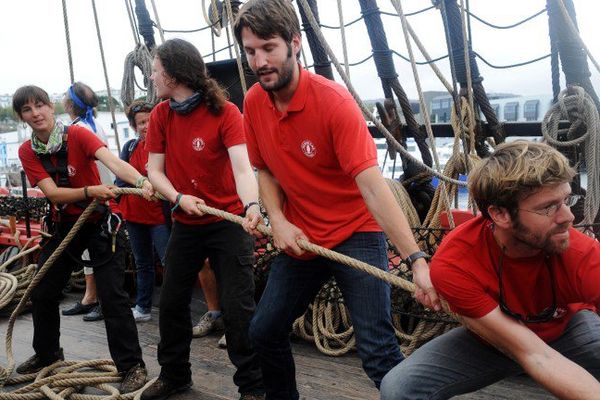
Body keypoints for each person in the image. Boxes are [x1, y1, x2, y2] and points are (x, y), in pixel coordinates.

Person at [234, 1, 439, 398]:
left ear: (295, 44)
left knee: (377, 351)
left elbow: (373, 187)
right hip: (302, 234)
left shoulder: (334, 103)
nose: (259, 61)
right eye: (250, 51)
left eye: (269, 48)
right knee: (264, 331)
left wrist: (416, 260)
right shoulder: (254, 102)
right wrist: (276, 217)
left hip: (355, 232)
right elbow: (266, 171)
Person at [380, 141, 600, 400]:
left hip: (567, 329)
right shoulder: (456, 264)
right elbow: (534, 354)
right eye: (548, 207)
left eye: (566, 199)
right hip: (493, 341)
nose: (568, 217)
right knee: (398, 389)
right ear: (500, 215)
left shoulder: (581, 254)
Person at [141, 38, 264, 400]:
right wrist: (177, 197)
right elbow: (154, 171)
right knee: (173, 302)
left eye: (155, 70)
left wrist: (252, 206)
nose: (151, 77)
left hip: (227, 222)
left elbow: (243, 170)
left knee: (239, 308)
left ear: (174, 74)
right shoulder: (161, 115)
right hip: (187, 223)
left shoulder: (226, 113)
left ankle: (253, 388)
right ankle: (174, 375)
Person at [13, 85, 152, 393]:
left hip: (100, 220)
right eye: (27, 109)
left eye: (40, 105)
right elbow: (52, 193)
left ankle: (132, 365)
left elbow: (112, 162)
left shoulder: (77, 135)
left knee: (113, 295)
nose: (35, 113)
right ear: (22, 117)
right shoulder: (27, 151)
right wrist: (89, 191)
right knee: (43, 290)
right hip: (65, 224)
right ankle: (47, 354)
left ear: (51, 107)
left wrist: (141, 181)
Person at [61, 81, 114, 322]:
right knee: (87, 253)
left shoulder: (78, 130)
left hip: (94, 199)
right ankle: (90, 297)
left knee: (98, 253)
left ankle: (102, 300)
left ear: (70, 104)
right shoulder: (94, 126)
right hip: (95, 197)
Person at [116, 100, 170, 322]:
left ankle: (174, 308)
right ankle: (143, 307)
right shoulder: (129, 148)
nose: (146, 126)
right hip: (134, 215)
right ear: (133, 126)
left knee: (170, 262)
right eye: (141, 123)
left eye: (149, 121)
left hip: (159, 216)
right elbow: (120, 180)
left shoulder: (166, 147)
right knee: (143, 263)